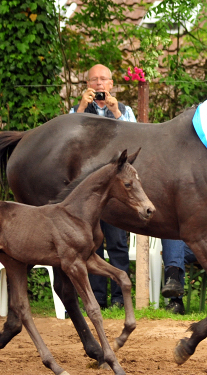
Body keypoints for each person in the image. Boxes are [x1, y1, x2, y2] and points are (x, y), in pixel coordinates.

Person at [69, 64, 136, 309]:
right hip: (87, 193)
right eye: (94, 80)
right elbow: (68, 139)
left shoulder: (124, 111)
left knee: (117, 243)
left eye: (103, 80)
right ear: (87, 84)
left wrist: (115, 111)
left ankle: (119, 299)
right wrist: (82, 108)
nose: (99, 84)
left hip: (115, 191)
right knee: (91, 245)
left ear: (111, 84)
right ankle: (97, 298)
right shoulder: (76, 111)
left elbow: (135, 138)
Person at [161, 238, 207, 315]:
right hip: (186, 242)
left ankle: (175, 300)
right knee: (171, 237)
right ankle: (173, 281)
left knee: (174, 253)